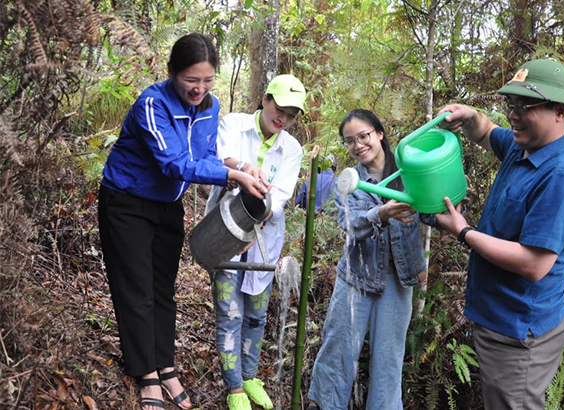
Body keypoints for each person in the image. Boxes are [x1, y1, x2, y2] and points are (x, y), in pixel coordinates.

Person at [98, 34, 267, 410]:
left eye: (207, 80)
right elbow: (173, 163)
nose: (199, 88)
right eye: (192, 80)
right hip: (126, 202)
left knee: (163, 290)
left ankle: (165, 364)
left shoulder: (211, 108)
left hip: (167, 206)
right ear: (173, 72)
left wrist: (239, 166)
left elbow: (206, 154)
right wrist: (234, 178)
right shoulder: (152, 104)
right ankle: (146, 375)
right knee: (137, 290)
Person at [427, 59, 564, 410]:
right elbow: (487, 132)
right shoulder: (524, 147)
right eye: (511, 106)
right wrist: (470, 115)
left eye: (525, 107)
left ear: (560, 111)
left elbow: (534, 264)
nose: (514, 115)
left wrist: (463, 231)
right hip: (498, 322)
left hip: (520, 334)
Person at [307, 109, 429, 410]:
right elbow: (350, 225)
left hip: (397, 281)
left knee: (388, 360)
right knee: (337, 351)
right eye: (350, 141)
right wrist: (381, 213)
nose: (358, 145)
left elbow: (432, 211)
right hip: (356, 279)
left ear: (379, 133)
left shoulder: (409, 171)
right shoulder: (349, 182)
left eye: (364, 136)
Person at [205, 74, 306, 410]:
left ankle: (250, 376)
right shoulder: (235, 124)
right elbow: (220, 157)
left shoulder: (291, 148)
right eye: (281, 109)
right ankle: (234, 387)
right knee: (230, 311)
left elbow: (280, 197)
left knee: (256, 315)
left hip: (265, 241)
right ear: (265, 99)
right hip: (226, 233)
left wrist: (256, 221)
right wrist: (246, 167)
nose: (284, 119)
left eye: (292, 115)